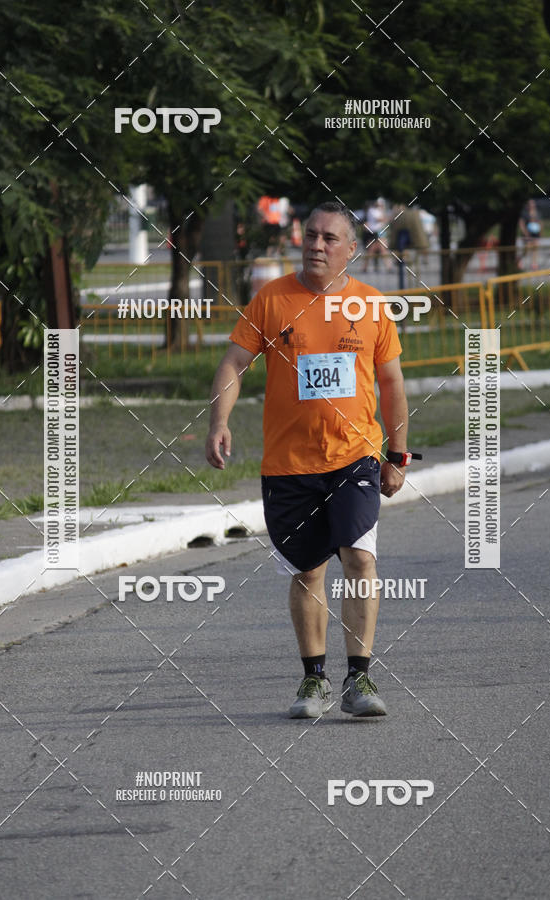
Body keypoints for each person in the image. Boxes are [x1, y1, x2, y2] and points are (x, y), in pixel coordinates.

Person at [205, 201, 412, 719]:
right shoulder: (273, 300)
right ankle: (314, 680)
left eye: (330, 239)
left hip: (354, 457)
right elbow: (234, 361)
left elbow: (391, 385)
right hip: (289, 464)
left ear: (351, 251)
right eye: (311, 236)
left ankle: (360, 679)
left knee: (360, 558)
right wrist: (218, 422)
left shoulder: (369, 306)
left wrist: (397, 455)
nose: (317, 245)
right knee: (307, 571)